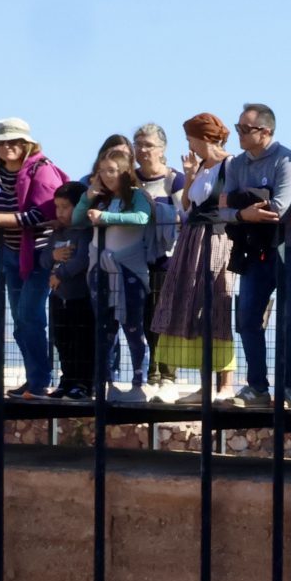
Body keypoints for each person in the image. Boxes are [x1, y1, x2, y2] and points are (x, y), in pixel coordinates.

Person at [207, 103, 291, 406]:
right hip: (253, 250)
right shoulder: (236, 164)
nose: (238, 133)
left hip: (290, 248)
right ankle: (257, 387)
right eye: (238, 127)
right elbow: (222, 209)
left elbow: (277, 208)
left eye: (245, 129)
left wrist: (239, 204)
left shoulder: (286, 161)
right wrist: (246, 210)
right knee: (247, 318)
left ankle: (288, 389)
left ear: (266, 132)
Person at [0, 118, 66, 398]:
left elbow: (42, 215)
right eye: (2, 142)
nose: (8, 146)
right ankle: (34, 379)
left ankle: (40, 381)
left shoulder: (42, 171)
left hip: (39, 255)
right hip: (9, 252)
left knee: (30, 317)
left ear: (27, 144)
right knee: (20, 321)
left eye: (14, 141)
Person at [153, 113, 238, 396]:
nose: (189, 144)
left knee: (216, 303)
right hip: (193, 238)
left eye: (190, 138)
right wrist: (189, 176)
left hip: (217, 238)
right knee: (192, 304)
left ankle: (225, 384)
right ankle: (205, 384)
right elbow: (188, 204)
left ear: (204, 138)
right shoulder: (201, 165)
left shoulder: (230, 164)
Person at [79, 137, 160, 402]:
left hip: (129, 271)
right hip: (99, 271)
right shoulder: (99, 198)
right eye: (102, 171)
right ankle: (106, 383)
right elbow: (77, 219)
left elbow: (141, 218)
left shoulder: (137, 196)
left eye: (112, 171)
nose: (106, 176)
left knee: (133, 327)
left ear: (124, 172)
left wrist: (106, 218)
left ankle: (140, 383)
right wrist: (87, 199)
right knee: (105, 329)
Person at [130, 121, 183, 394]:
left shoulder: (174, 180)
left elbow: (185, 214)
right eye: (138, 144)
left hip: (166, 259)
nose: (143, 150)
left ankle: (167, 374)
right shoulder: (130, 180)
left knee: (165, 317)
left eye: (149, 145)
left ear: (162, 149)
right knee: (143, 317)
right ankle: (151, 372)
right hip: (135, 258)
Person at [46, 183, 98, 399]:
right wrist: (53, 255)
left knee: (82, 341)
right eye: (57, 207)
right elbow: (43, 259)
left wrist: (60, 274)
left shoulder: (84, 233)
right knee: (62, 340)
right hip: (58, 297)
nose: (60, 212)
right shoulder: (57, 233)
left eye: (65, 207)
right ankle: (67, 380)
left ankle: (83, 383)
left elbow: (82, 259)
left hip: (80, 296)